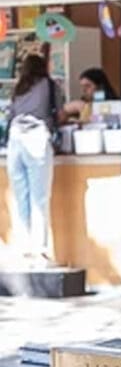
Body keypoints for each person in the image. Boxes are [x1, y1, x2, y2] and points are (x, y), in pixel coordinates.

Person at [5, 53, 63, 261]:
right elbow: (60, 113)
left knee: (20, 195)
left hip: (15, 140)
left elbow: (10, 115)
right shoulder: (49, 85)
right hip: (37, 138)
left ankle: (23, 246)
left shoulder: (18, 88)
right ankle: (40, 248)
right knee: (39, 197)